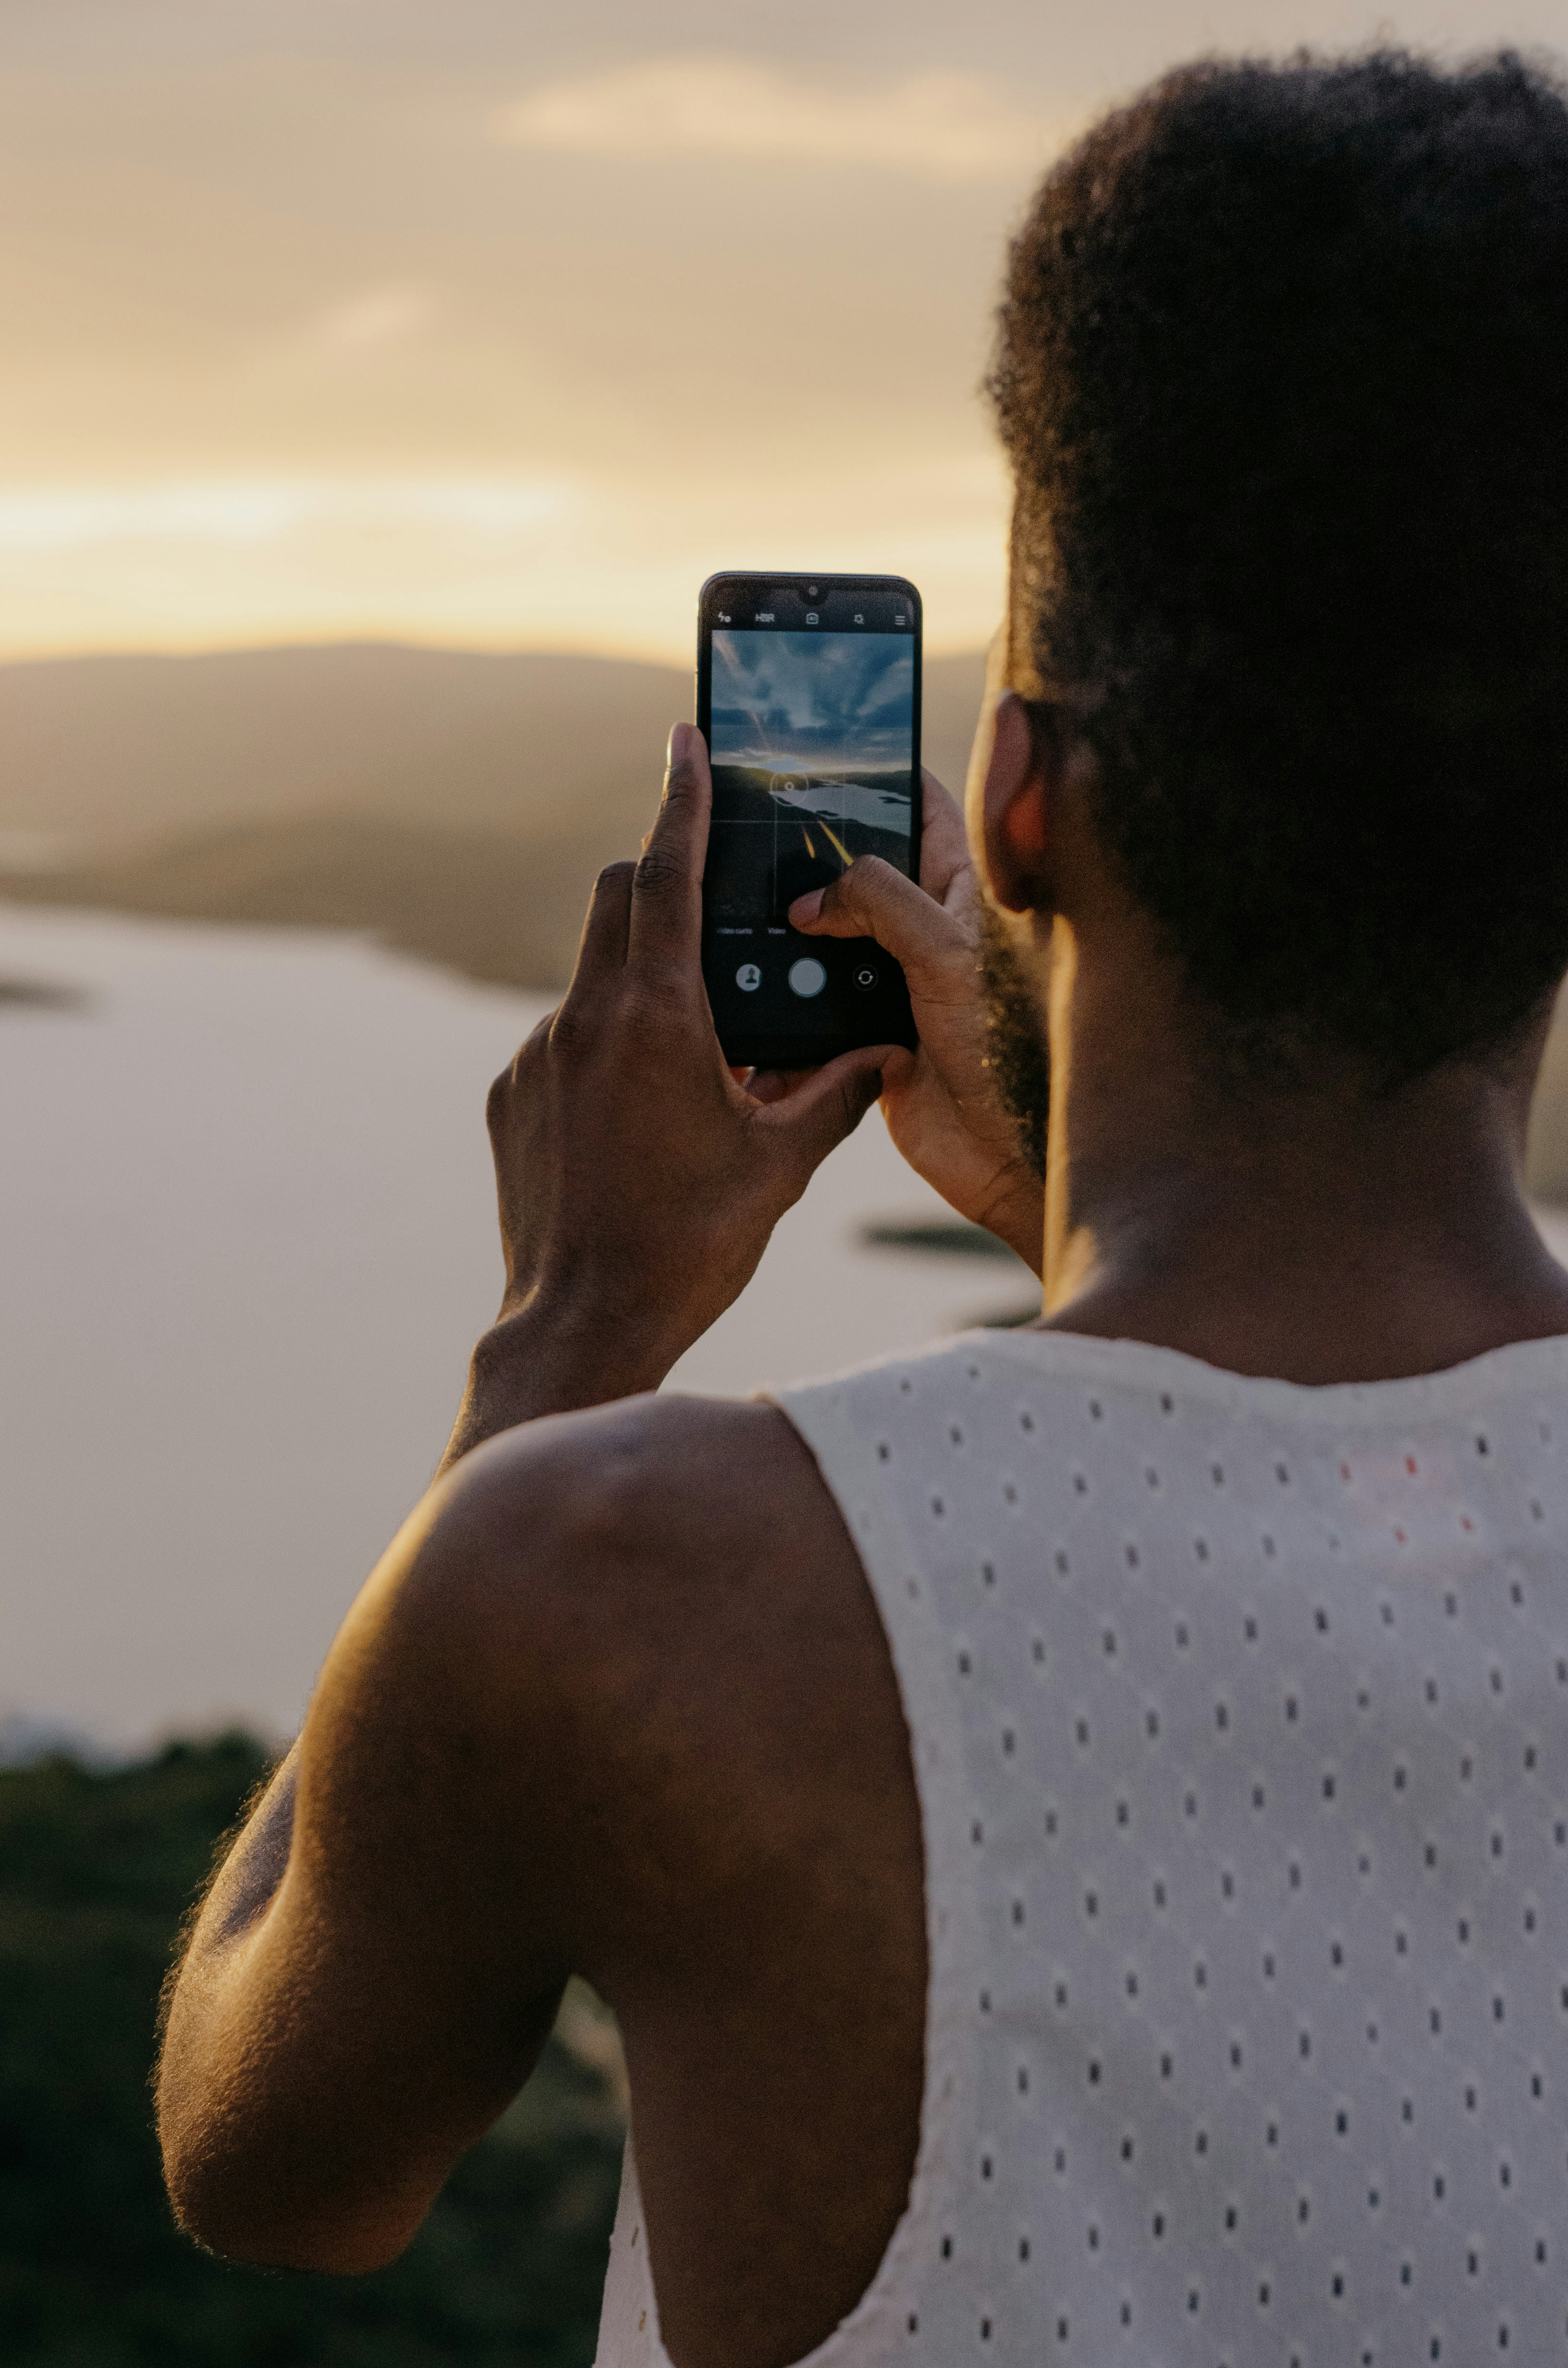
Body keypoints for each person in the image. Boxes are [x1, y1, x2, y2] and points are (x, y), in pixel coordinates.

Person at [158, 48, 1568, 2367]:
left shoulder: (620, 1580)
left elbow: (272, 2162)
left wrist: (572, 1322)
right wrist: (1076, 1246)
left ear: (1012, 805)